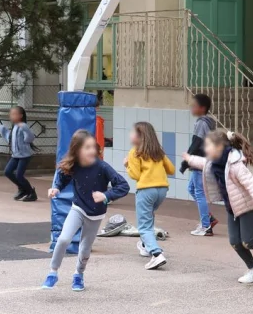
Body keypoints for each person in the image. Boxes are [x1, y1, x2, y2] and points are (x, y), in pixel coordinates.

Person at [184, 130, 253, 284]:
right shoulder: (214, 161)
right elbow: (203, 163)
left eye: (208, 146)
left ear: (219, 147)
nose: (205, 149)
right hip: (233, 207)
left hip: (247, 206)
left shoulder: (236, 165)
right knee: (235, 242)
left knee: (249, 241)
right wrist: (190, 159)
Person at [43, 130, 129, 291]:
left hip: (96, 214)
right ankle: (52, 273)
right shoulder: (74, 166)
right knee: (63, 239)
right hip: (78, 209)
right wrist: (55, 188)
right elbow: (62, 177)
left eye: (93, 147)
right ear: (77, 151)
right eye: (87, 147)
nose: (92, 151)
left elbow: (123, 186)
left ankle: (78, 275)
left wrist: (105, 195)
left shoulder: (102, 167)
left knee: (85, 247)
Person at [125, 121, 174, 270]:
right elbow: (171, 170)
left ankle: (156, 253)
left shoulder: (135, 152)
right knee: (149, 217)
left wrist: (127, 165)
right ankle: (146, 246)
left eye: (133, 132)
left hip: (146, 190)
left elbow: (135, 175)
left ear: (140, 137)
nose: (130, 135)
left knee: (144, 226)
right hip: (162, 190)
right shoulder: (158, 151)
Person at [184, 93, 218, 236]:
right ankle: (208, 218)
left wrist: (187, 160)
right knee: (191, 188)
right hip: (203, 160)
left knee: (199, 192)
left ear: (202, 108)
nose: (191, 108)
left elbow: (196, 143)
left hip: (200, 161)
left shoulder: (201, 123)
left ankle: (206, 226)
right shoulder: (206, 122)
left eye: (194, 106)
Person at [0, 106, 37, 202]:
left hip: (24, 156)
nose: (11, 116)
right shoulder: (15, 127)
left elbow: (30, 138)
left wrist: (25, 129)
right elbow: (11, 140)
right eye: (11, 114)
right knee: (7, 172)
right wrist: (4, 132)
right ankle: (22, 189)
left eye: (14, 114)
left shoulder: (23, 126)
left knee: (19, 175)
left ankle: (31, 192)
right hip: (15, 155)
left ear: (20, 116)